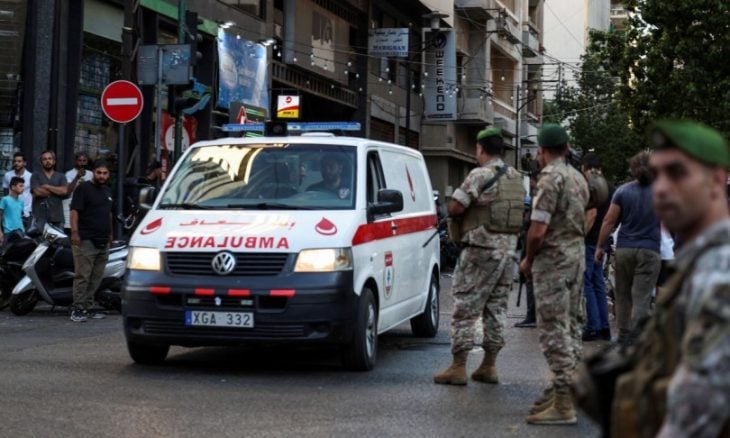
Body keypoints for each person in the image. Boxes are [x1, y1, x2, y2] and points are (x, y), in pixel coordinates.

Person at [607, 120, 730, 436]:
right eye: (657, 175)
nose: (661, 188)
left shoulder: (719, 272)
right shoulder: (696, 262)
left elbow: (701, 406)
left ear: (717, 179)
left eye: (677, 173)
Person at [433, 127, 525, 386]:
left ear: (480, 148)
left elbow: (456, 207)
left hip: (480, 251)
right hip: (508, 252)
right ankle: (489, 365)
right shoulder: (516, 177)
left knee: (465, 306)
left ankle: (458, 366)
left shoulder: (479, 174)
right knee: (496, 308)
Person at [519, 124, 589, 425]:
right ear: (567, 146)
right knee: (571, 326)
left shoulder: (550, 178)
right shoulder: (578, 177)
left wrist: (528, 259)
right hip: (575, 258)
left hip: (554, 263)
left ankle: (563, 403)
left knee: (552, 331)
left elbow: (537, 230)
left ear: (542, 151)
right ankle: (563, 390)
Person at [595, 151, 661, 346]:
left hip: (624, 249)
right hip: (650, 250)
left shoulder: (622, 192)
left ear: (633, 168)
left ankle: (623, 335)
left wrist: (599, 246)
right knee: (642, 296)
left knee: (622, 294)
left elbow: (609, 221)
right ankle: (637, 337)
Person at [69, 160, 113, 323]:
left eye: (105, 173)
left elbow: (108, 214)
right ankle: (77, 308)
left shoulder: (107, 191)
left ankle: (87, 307)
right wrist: (75, 233)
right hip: (86, 239)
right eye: (99, 172)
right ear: (93, 172)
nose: (102, 176)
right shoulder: (83, 188)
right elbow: (74, 211)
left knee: (96, 277)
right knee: (83, 276)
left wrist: (110, 234)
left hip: (103, 240)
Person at [581, 153, 613, 341]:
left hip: (589, 241)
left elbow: (591, 215)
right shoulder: (610, 187)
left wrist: (580, 235)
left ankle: (593, 326)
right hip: (602, 241)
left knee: (588, 283)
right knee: (599, 282)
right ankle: (604, 327)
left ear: (584, 167)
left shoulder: (591, 186)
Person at [30, 150, 68, 229]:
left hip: (57, 217)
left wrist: (48, 186)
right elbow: (37, 192)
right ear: (41, 162)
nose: (47, 161)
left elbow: (64, 191)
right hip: (40, 218)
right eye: (45, 159)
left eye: (50, 158)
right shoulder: (35, 175)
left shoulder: (61, 176)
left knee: (59, 237)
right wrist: (57, 191)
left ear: (54, 161)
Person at [63, 152, 93, 232]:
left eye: (84, 160)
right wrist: (77, 177)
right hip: (73, 203)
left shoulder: (91, 174)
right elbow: (68, 191)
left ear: (87, 162)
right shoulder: (69, 173)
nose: (82, 163)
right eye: (80, 160)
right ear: (76, 161)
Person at [2, 152, 33, 229]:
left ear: (24, 163)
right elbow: (6, 193)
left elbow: (34, 193)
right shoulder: (7, 175)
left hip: (26, 212)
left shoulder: (30, 176)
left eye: (19, 161)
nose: (16, 163)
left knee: (25, 235)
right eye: (15, 161)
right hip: (11, 212)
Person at [0, 177, 26, 244]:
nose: (23, 188)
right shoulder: (5, 200)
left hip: (21, 232)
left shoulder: (21, 201)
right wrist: (0, 232)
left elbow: (19, 217)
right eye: (20, 186)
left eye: (23, 186)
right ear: (13, 187)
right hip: (8, 232)